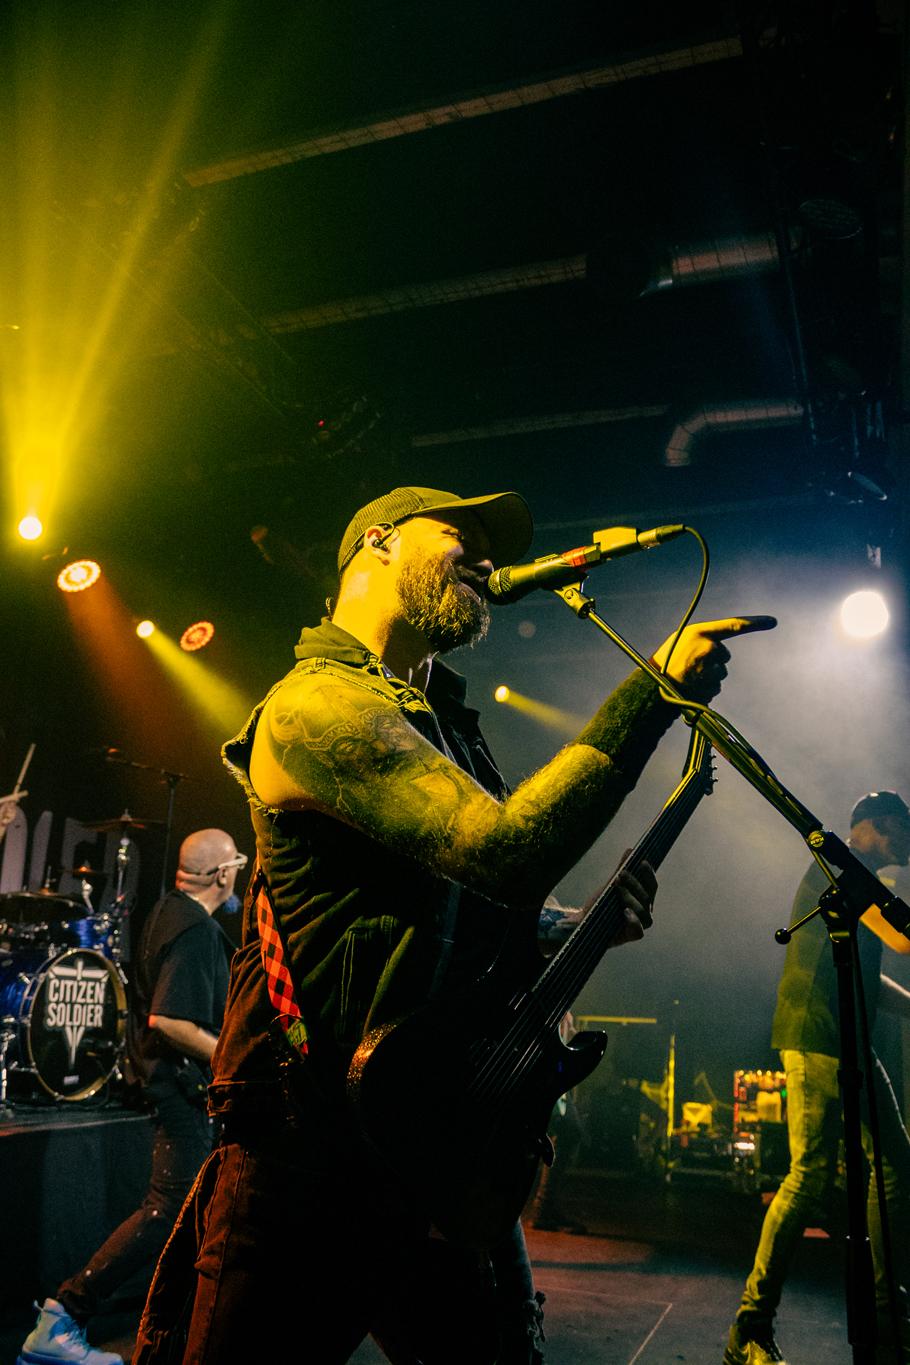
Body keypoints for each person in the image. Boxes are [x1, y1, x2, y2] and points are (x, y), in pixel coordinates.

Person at [134, 484, 773, 1365]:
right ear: (378, 542)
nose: (485, 556)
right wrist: (650, 693)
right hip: (307, 1147)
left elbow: (468, 908)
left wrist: (568, 930)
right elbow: (503, 849)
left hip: (440, 1134)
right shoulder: (314, 704)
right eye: (458, 534)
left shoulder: (446, 728)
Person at [18, 829, 243, 1365]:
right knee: (168, 1209)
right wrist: (232, 1060)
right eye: (237, 863)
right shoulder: (194, 930)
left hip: (171, 1085)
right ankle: (64, 1313)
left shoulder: (168, 912)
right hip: (180, 1088)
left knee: (192, 1208)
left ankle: (179, 1325)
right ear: (223, 874)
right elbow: (169, 1020)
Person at [724, 791, 910, 1365]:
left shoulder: (860, 881)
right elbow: (903, 938)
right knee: (810, 1177)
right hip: (816, 1039)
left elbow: (867, 974)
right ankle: (750, 1327)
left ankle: (885, 1312)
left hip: (844, 1040)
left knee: (894, 1166)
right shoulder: (841, 869)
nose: (903, 840)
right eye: (896, 828)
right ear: (867, 828)